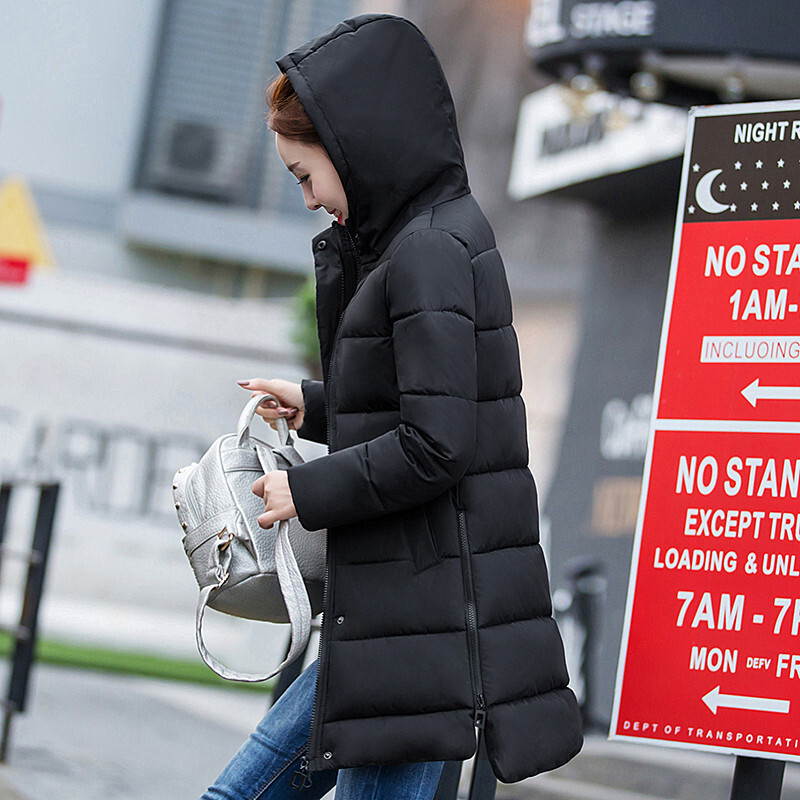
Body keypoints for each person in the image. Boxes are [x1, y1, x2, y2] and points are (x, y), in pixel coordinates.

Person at [202, 12, 582, 800]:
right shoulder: (424, 242)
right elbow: (426, 410)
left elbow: (436, 447)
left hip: (421, 640)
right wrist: (312, 406)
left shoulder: (429, 253)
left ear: (354, 149)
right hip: (399, 630)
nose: (307, 200)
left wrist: (301, 492)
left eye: (306, 176)